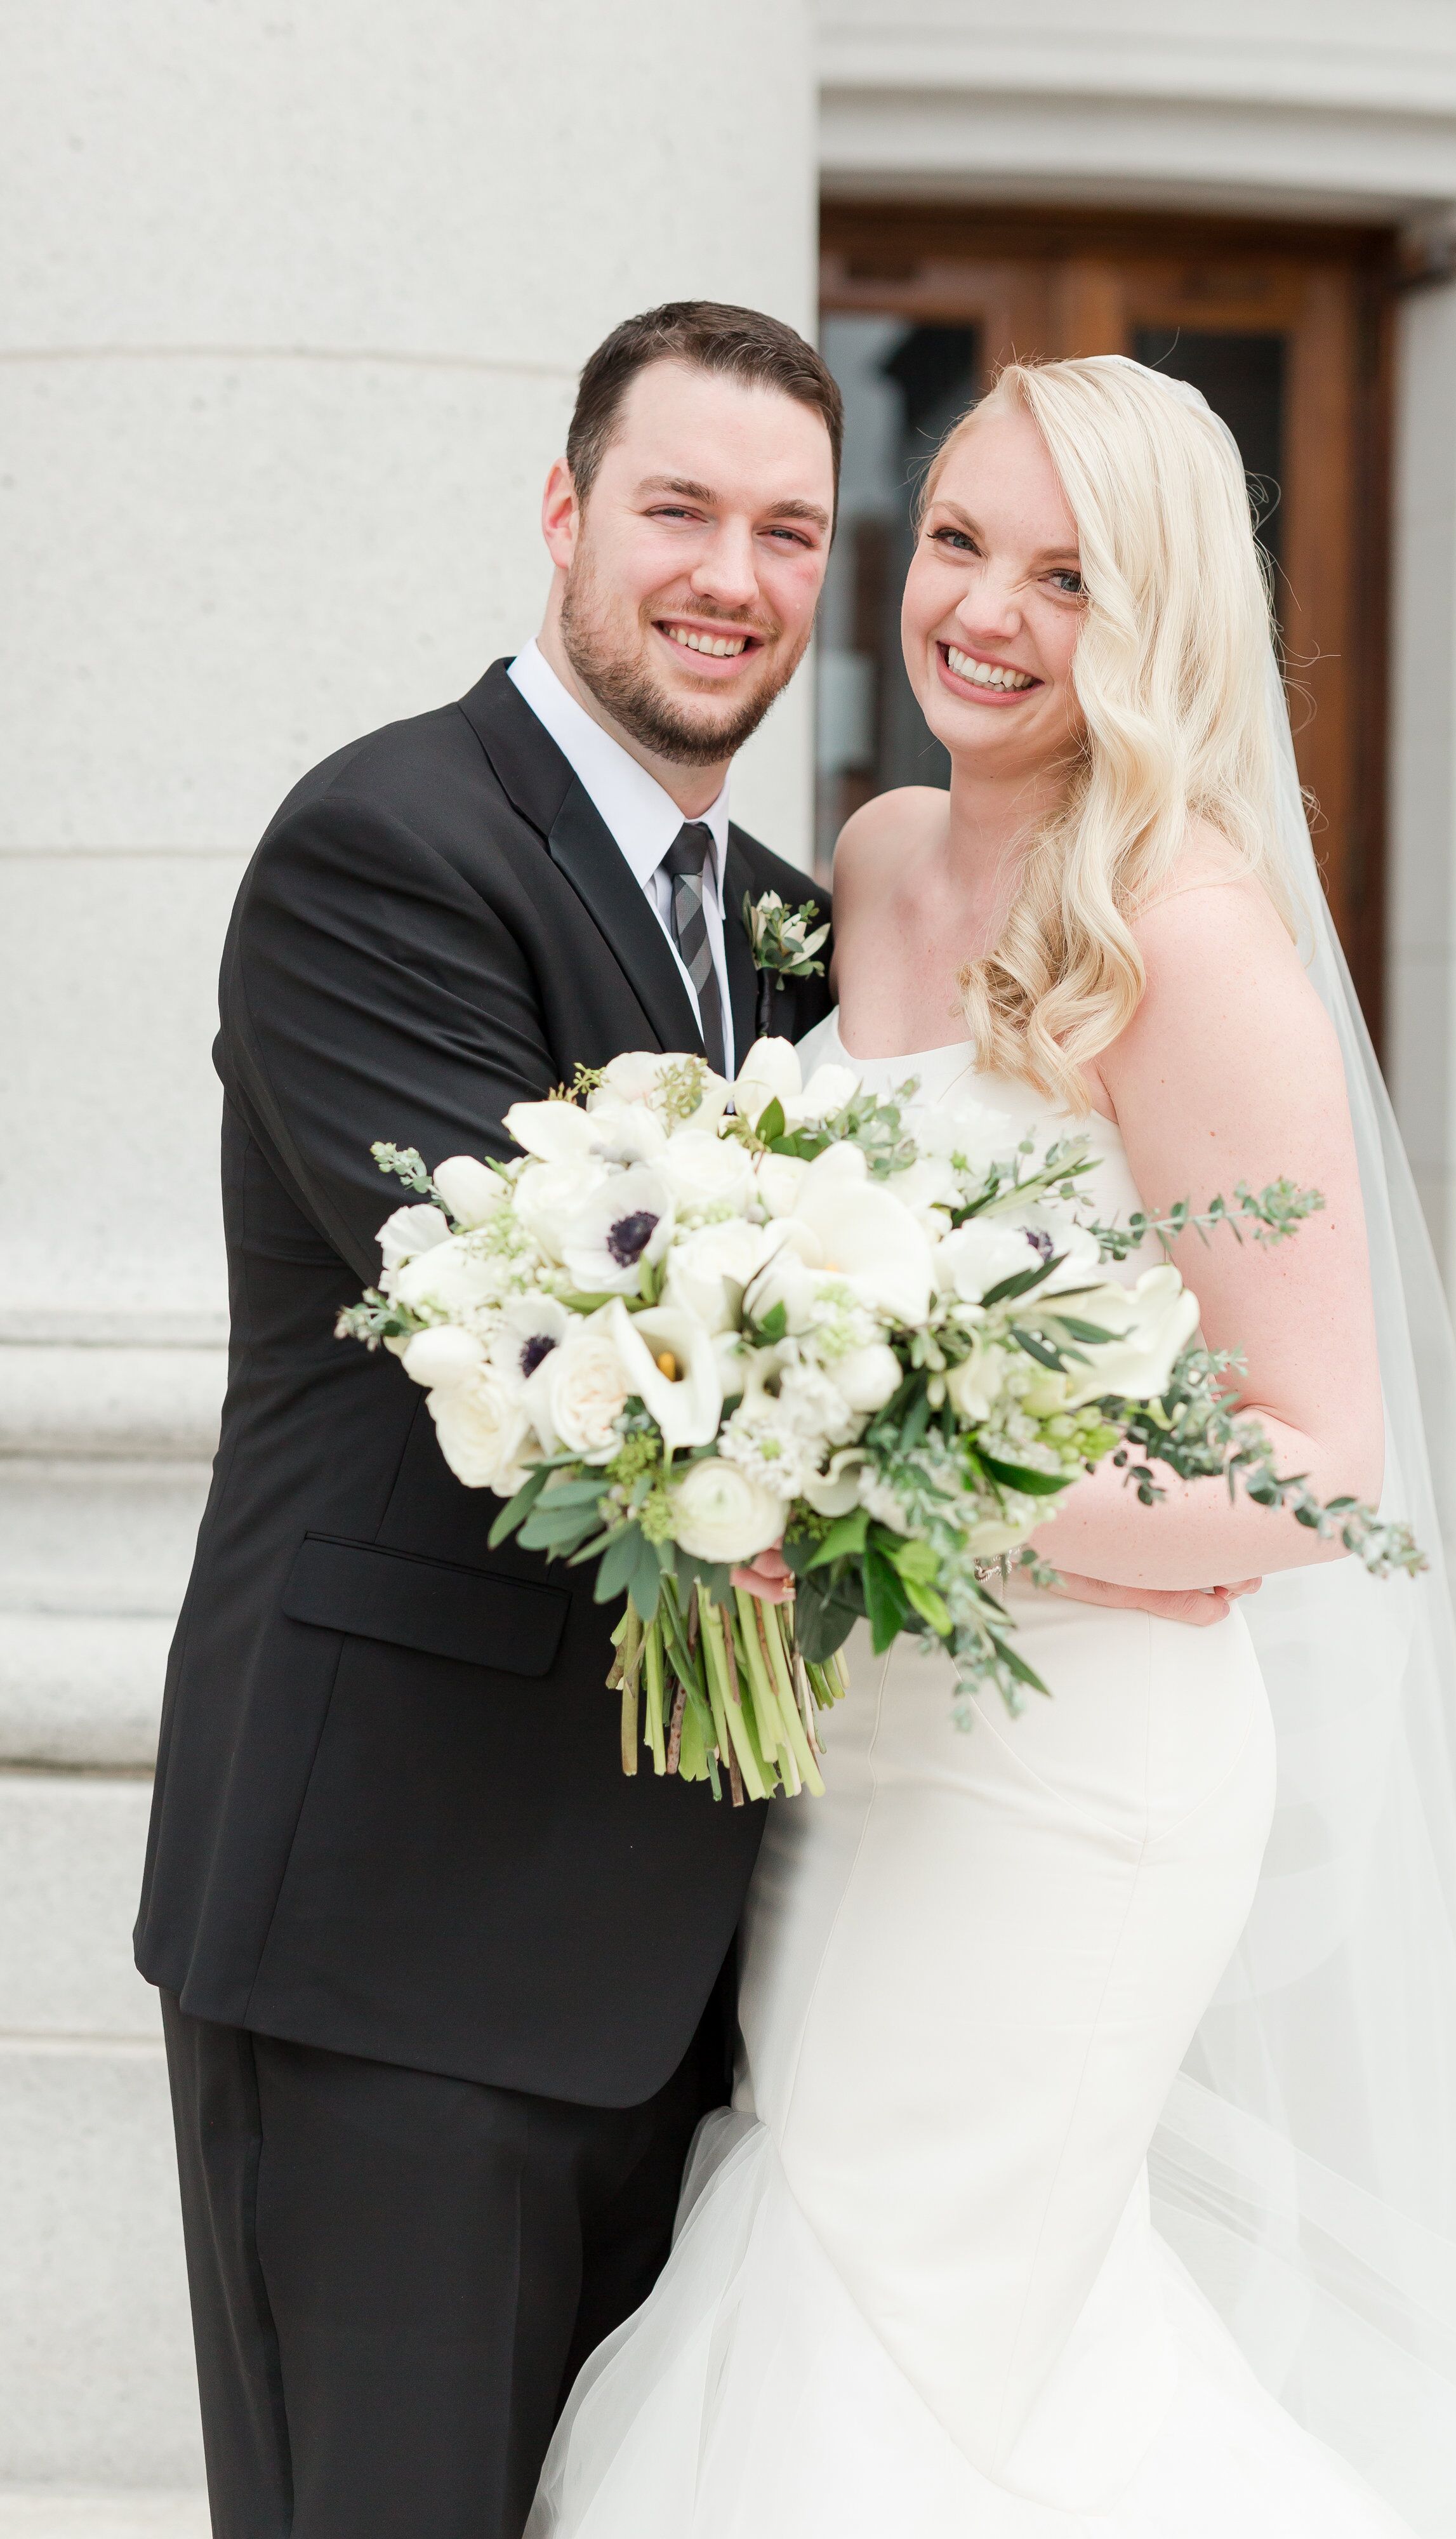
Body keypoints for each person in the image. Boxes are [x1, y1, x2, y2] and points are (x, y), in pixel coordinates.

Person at [530, 360, 1456, 2535]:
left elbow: (1317, 1460)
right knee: (854, 2265)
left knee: (903, 2303)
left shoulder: (1185, 928)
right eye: (958, 540)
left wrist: (882, 1492)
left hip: (1073, 1775)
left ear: (1154, 621)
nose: (983, 610)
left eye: (1067, 577)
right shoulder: (873, 861)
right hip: (857, 1758)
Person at [135, 300, 847, 2539]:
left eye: (787, 531)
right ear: (563, 514)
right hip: (400, 1932)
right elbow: (547, 1327)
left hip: (681, 1960)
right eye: (678, 510)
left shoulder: (791, 928)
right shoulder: (386, 846)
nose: (730, 573)